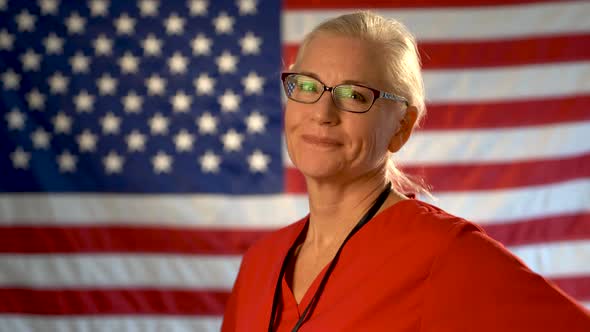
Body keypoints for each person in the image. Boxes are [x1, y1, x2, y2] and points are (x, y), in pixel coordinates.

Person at [221, 11, 590, 332]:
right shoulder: (261, 263)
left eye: (354, 95)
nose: (322, 113)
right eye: (306, 86)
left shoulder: (446, 255)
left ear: (402, 126)